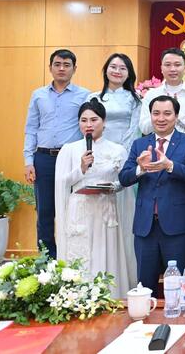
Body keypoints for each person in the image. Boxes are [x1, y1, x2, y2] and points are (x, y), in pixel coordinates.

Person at [119, 95, 185, 292]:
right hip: (145, 227)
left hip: (176, 227)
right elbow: (124, 178)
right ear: (150, 116)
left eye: (167, 113)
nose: (161, 118)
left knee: (178, 287)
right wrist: (141, 169)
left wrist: (170, 166)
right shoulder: (140, 144)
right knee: (145, 285)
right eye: (156, 113)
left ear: (176, 116)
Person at [54, 98, 136, 298]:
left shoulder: (118, 150)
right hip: (80, 209)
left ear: (104, 121)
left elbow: (124, 182)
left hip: (105, 208)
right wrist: (81, 168)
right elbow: (62, 183)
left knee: (104, 251)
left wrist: (112, 188)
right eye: (84, 120)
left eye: (94, 119)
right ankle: (80, 299)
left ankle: (109, 295)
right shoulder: (70, 149)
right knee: (81, 256)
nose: (88, 125)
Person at [24, 49, 90, 257]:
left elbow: (88, 126)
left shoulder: (84, 95)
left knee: (72, 210)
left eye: (66, 65)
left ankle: (71, 257)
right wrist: (28, 161)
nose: (62, 68)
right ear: (50, 67)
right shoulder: (38, 95)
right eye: (58, 64)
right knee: (44, 212)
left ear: (74, 69)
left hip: (70, 160)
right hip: (42, 158)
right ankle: (47, 261)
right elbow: (31, 128)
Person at [139, 47, 185, 136]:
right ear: (161, 68)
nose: (172, 69)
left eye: (177, 65)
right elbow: (144, 128)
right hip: (157, 145)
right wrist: (161, 116)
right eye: (167, 65)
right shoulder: (151, 94)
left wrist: (177, 114)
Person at [89, 53, 142, 152]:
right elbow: (87, 126)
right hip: (96, 149)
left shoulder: (134, 99)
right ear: (106, 70)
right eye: (113, 67)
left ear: (128, 73)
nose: (117, 71)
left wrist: (122, 151)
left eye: (123, 68)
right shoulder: (93, 98)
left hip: (125, 150)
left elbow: (135, 130)